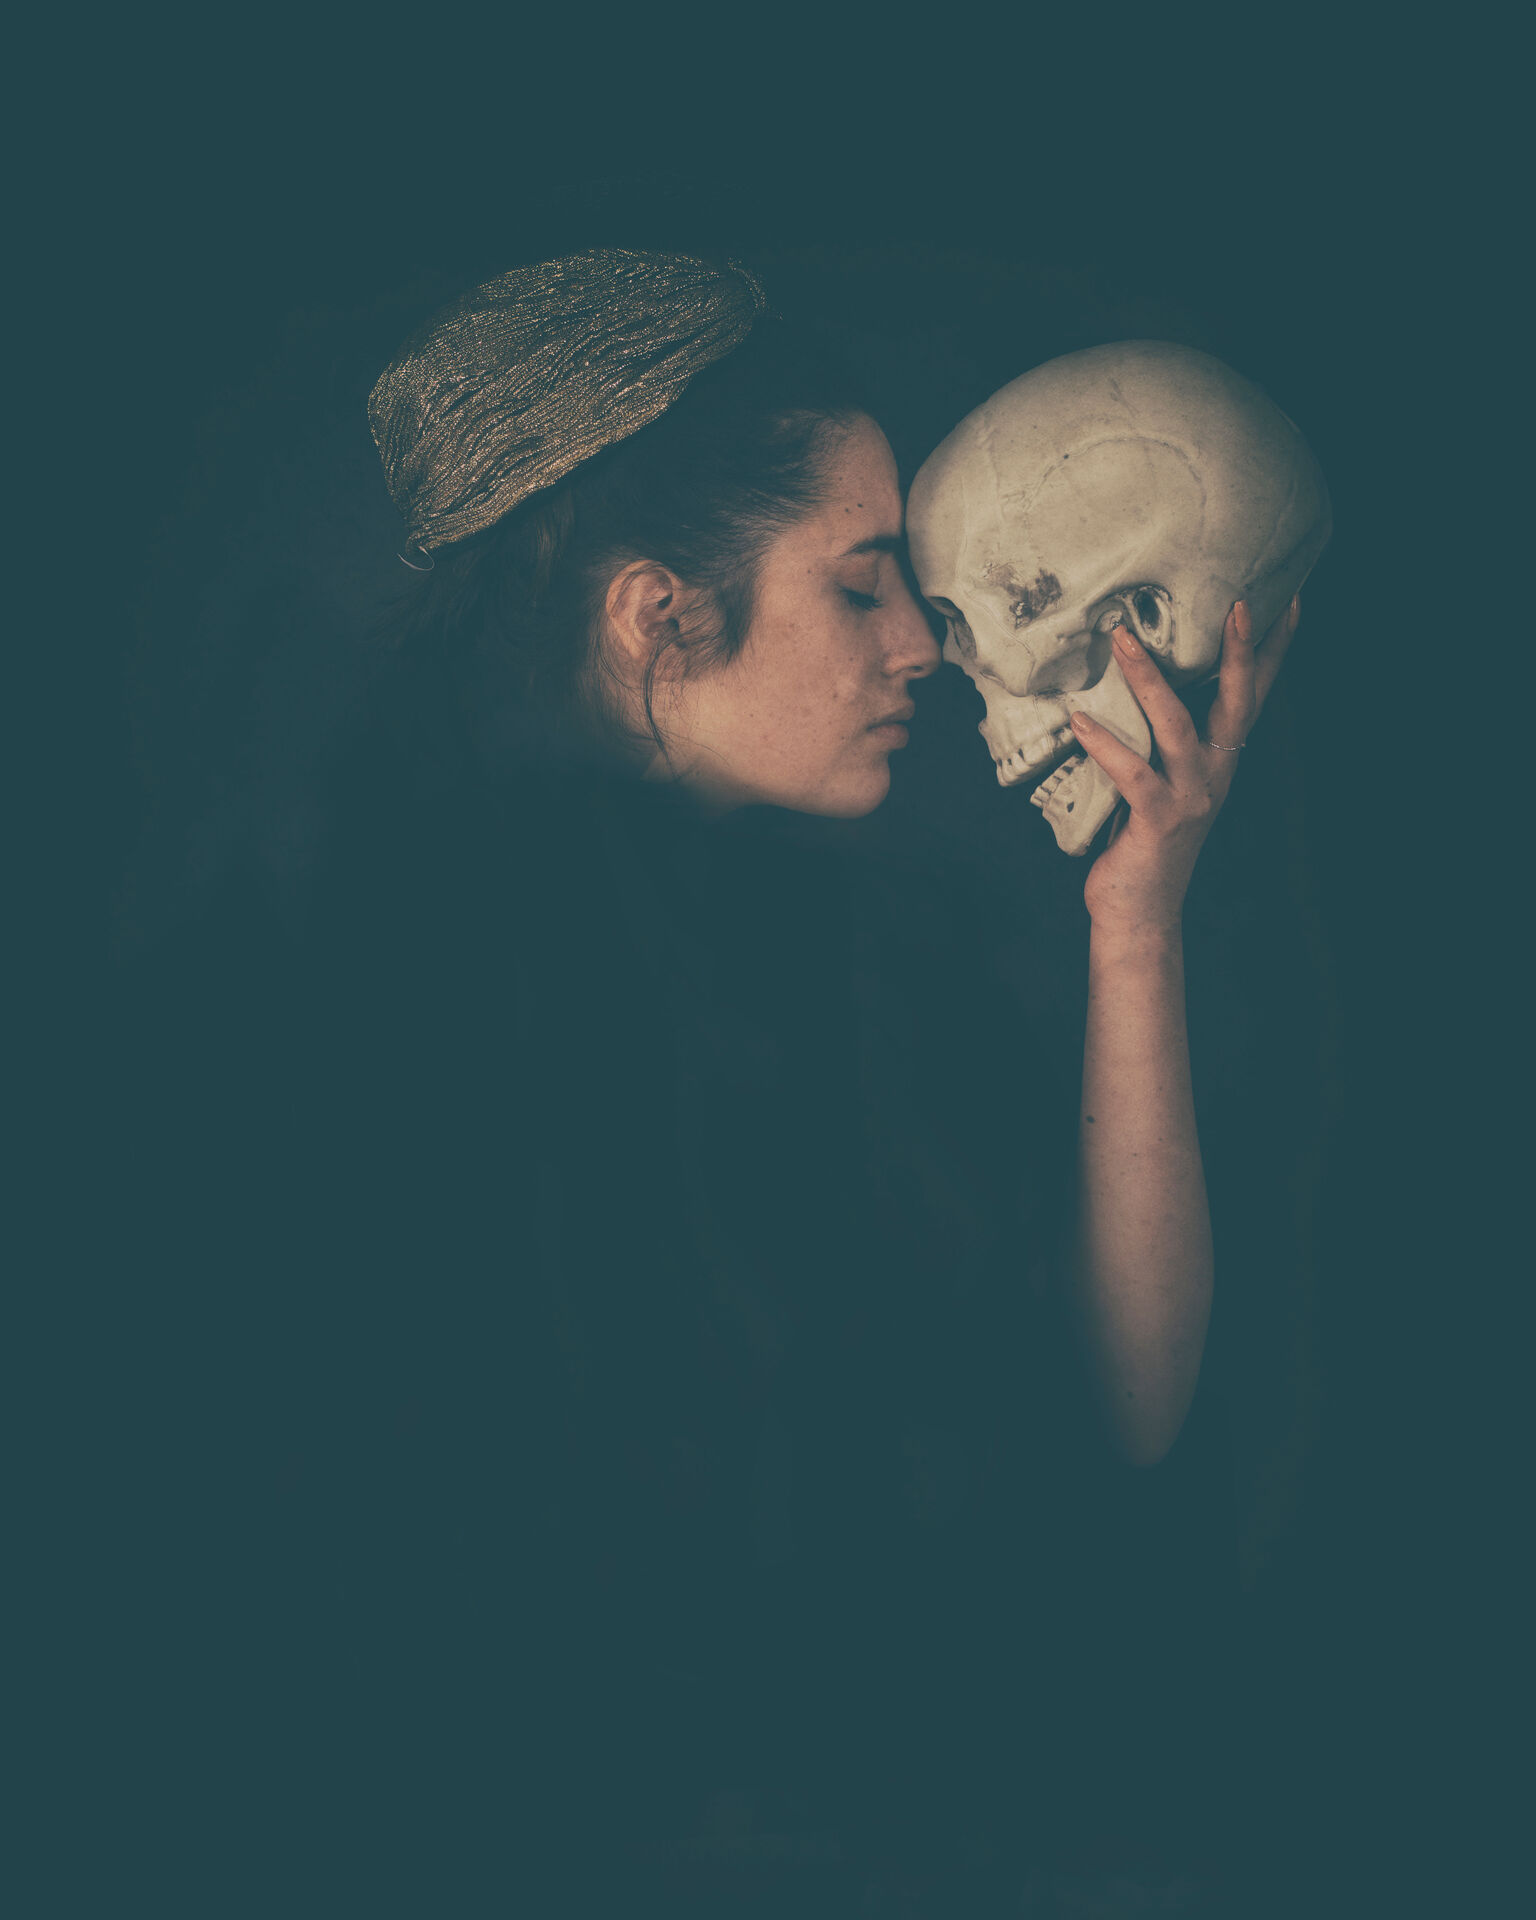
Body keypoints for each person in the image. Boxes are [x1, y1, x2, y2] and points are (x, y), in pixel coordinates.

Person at [122, 247, 1300, 1910]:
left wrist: (1137, 927)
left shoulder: (846, 980)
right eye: (863, 585)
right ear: (656, 615)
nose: (926, 645)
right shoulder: (360, 1025)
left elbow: (1125, 1410)